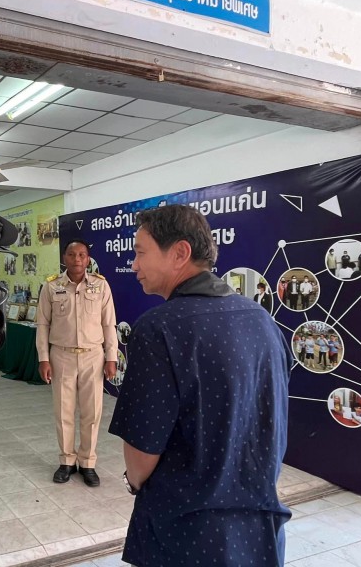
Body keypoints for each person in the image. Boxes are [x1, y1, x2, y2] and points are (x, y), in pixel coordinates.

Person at [109, 204, 291, 566]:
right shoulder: (262, 320)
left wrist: (132, 481)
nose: (133, 264)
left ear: (179, 253)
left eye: (140, 253)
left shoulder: (158, 329)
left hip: (186, 535)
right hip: (261, 531)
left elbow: (141, 456)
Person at [36, 239, 117, 487]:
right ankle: (67, 461)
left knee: (92, 412)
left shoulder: (101, 285)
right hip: (62, 355)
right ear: (65, 258)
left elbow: (108, 323)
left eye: (82, 255)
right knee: (64, 411)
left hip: (93, 355)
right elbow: (42, 325)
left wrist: (112, 357)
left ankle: (88, 463)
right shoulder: (52, 287)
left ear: (88, 258)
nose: (77, 259)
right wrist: (43, 358)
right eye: (72, 254)